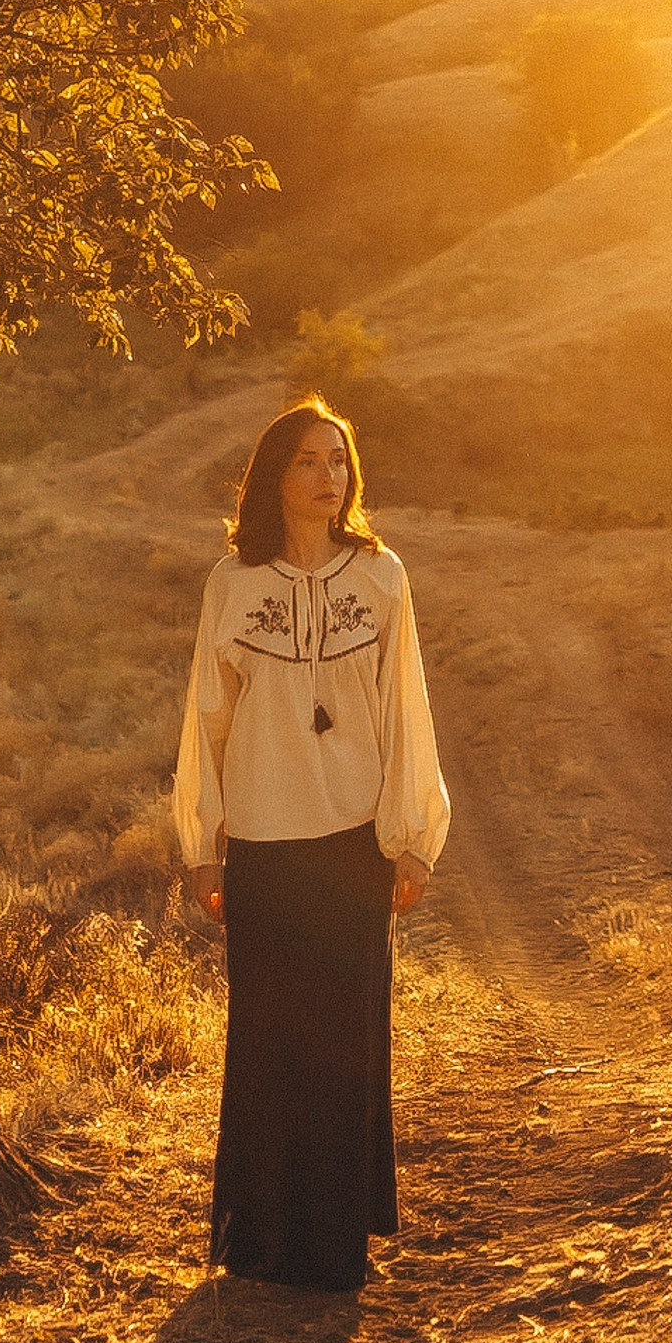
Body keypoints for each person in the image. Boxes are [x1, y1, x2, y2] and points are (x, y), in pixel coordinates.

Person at [172, 395, 451, 1291]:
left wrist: (414, 836)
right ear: (274, 477)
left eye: (339, 460)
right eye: (308, 460)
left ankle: (335, 1247)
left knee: (344, 1043)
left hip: (351, 844)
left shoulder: (381, 577)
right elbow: (205, 723)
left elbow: (408, 708)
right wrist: (202, 846)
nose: (328, 477)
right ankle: (260, 1243)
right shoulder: (232, 584)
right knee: (267, 1042)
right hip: (262, 840)